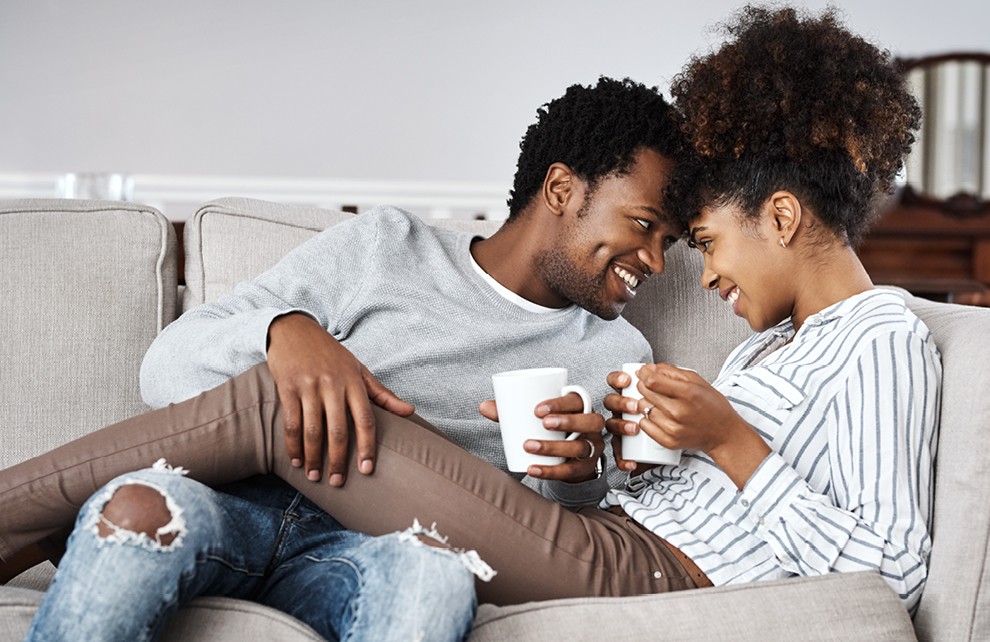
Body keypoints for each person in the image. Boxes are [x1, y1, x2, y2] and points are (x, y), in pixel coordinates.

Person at [3, 2, 939, 630]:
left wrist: (720, 443)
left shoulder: (883, 334)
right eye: (662, 232)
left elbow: (890, 574)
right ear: (563, 190)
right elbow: (695, 501)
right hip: (613, 542)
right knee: (283, 394)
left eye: (698, 242)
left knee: (279, 410)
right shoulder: (773, 352)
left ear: (780, 216)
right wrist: (614, 456)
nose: (685, 274)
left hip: (635, 570)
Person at [0, 76, 687, 641]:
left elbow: (544, 548)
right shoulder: (386, 248)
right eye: (644, 226)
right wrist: (284, 331)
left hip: (374, 550)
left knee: (434, 578)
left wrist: (572, 478)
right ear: (562, 190)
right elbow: (166, 373)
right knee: (135, 509)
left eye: (671, 243)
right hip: (229, 507)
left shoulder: (619, 355)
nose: (654, 261)